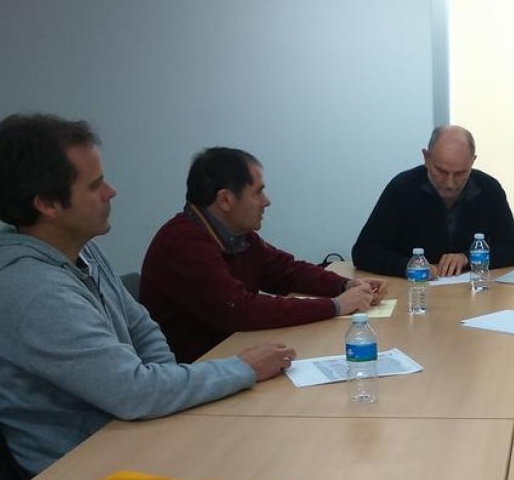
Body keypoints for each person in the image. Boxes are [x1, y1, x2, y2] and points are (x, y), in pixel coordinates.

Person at [0, 114, 293, 475]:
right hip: (76, 475)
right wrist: (243, 368)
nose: (111, 191)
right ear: (47, 203)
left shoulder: (80, 250)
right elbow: (134, 392)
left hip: (130, 436)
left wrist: (168, 388)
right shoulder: (32, 291)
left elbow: (142, 326)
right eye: (95, 186)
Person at [141, 148, 385, 362]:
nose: (266, 202)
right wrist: (335, 306)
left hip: (234, 355)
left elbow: (288, 271)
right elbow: (240, 310)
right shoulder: (183, 244)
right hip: (198, 371)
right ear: (225, 199)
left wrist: (345, 284)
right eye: (258, 193)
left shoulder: (237, 235)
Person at [351, 125, 514, 277]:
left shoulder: (489, 189)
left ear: (473, 162)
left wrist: (468, 258)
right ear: (426, 158)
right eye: (441, 171)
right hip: (414, 290)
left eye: (460, 173)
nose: (450, 183)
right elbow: (364, 251)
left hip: (471, 291)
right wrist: (411, 266)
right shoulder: (402, 188)